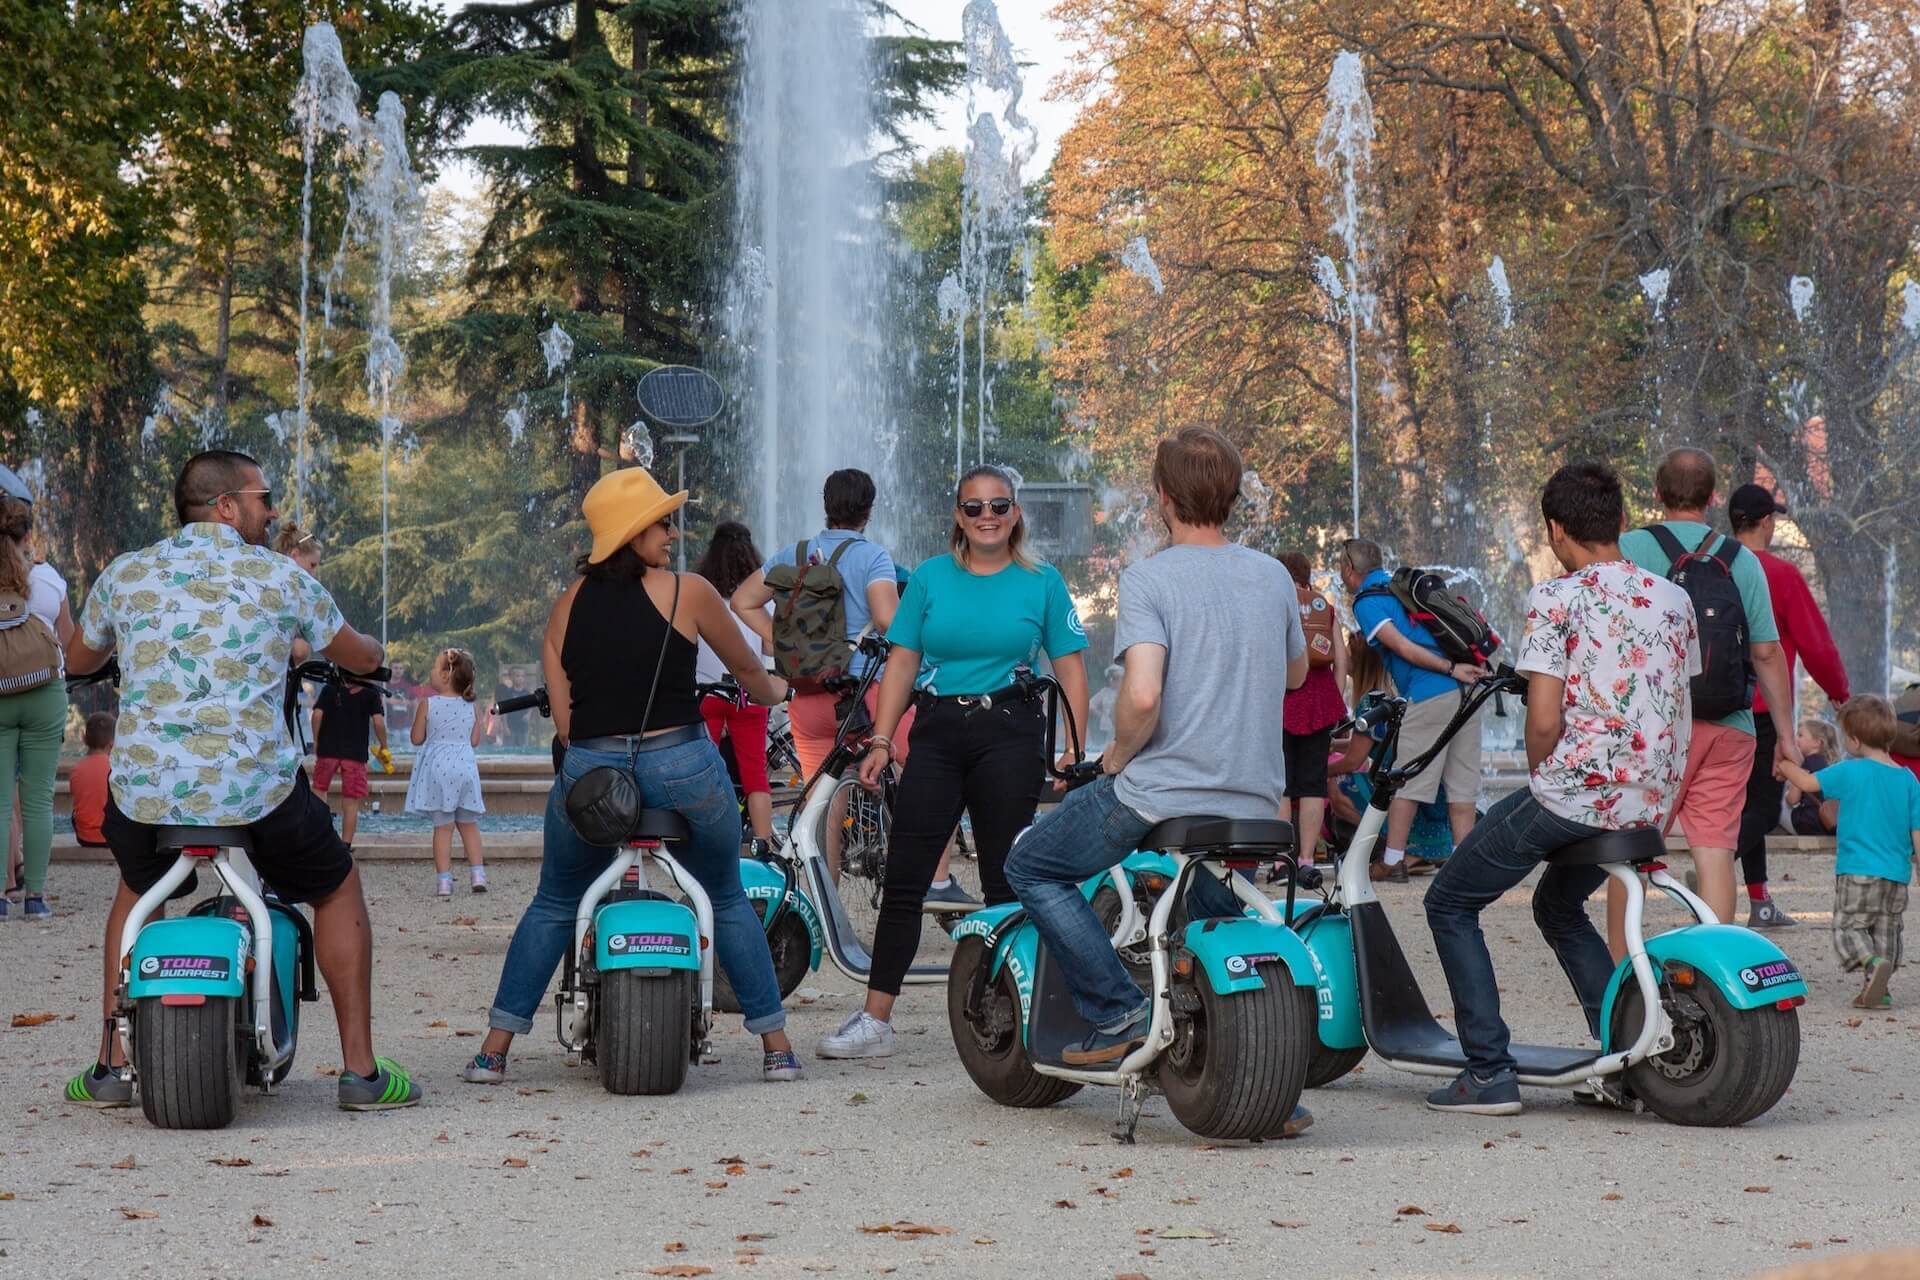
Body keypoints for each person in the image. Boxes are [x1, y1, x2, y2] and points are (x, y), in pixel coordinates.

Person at [61, 449, 420, 1110]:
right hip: (258, 793)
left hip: (144, 795)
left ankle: (110, 1068)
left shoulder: (126, 573)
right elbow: (358, 653)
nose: (273, 509)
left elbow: (82, 655)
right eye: (263, 497)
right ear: (226, 506)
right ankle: (362, 1074)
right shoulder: (281, 578)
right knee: (336, 888)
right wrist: (373, 662)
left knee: (136, 890)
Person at [463, 466, 801, 1086]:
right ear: (630, 533)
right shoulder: (688, 593)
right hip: (683, 765)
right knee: (723, 893)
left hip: (592, 771)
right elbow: (752, 675)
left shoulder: (567, 605)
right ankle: (776, 1048)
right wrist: (783, 688)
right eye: (660, 523)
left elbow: (565, 725)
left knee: (556, 901)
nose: (671, 533)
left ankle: (493, 1050)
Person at [1005, 429, 1308, 1083]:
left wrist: (1113, 756)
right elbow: (1294, 675)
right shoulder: (1273, 575)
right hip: (1253, 792)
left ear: (1162, 496)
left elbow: (1142, 696)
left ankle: (1118, 1012)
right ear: (1232, 497)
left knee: (1032, 865)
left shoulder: (1148, 577)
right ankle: (1240, 1049)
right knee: (1200, 893)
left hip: (1166, 789)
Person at [1423, 461, 1698, 1114]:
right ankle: (1623, 1060)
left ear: (1555, 530)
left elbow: (1543, 721)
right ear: (1622, 522)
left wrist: (1544, 779)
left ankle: (1488, 1071)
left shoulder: (1556, 599)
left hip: (1576, 795)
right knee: (1556, 906)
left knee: (1449, 901)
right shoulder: (1673, 598)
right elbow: (1678, 705)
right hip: (1647, 799)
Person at [818, 464, 1090, 1060]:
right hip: (938, 731)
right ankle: (876, 1018)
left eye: (998, 507)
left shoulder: (1042, 581)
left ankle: (1011, 1015)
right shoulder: (932, 579)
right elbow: (902, 663)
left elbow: (1069, 667)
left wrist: (1073, 749)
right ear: (958, 516)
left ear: (1015, 513)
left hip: (1011, 731)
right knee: (906, 875)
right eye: (974, 507)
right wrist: (884, 740)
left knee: (1006, 877)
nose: (987, 517)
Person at [1616, 448, 1799, 948]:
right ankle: (1713, 970)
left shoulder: (1628, 548)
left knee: (1628, 849)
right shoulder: (1741, 559)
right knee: (1715, 851)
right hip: (1730, 725)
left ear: (1657, 494)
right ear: (1713, 497)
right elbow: (1765, 652)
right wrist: (1786, 736)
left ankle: (1618, 972)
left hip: (1653, 729)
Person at [1726, 482, 1849, 928]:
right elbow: (1816, 645)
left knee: (1742, 806)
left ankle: (1759, 902)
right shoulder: (1779, 574)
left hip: (1712, 705)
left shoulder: (1714, 565)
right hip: (1761, 708)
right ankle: (1713, 868)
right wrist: (1839, 693)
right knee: (1762, 807)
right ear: (1766, 522)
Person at [1341, 538, 1487, 875]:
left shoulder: (1367, 601)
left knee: (1406, 778)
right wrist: (1457, 671)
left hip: (1432, 691)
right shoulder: (1400, 589)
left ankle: (1393, 862)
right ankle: (1463, 864)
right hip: (1467, 691)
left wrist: (1449, 669)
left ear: (1349, 568)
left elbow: (1403, 648)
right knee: (1461, 785)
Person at [1775, 696, 1920, 1009]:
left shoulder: (1851, 771)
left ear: (1854, 740)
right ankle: (1879, 990)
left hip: (1856, 869)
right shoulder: (1909, 780)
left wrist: (1786, 765)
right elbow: (1917, 832)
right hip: (1896, 875)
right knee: (1887, 930)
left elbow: (1808, 782)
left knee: (1848, 927)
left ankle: (1869, 962)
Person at [0, 468, 71, 923]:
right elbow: (68, 640)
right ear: (28, 533)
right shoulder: (48, 579)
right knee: (40, 796)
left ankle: (1, 898)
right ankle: (37, 898)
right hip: (45, 691)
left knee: (0, 798)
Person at [695, 521, 776, 853]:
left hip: (708, 694)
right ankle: (764, 843)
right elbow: (771, 651)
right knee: (756, 775)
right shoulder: (759, 599)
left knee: (705, 772)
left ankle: (705, 841)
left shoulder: (700, 596)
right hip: (749, 695)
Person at [1277, 550, 1348, 867]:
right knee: (1312, 783)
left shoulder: (1275, 605)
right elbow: (1342, 660)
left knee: (1280, 784)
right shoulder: (1323, 608)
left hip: (1281, 701)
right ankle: (1306, 858)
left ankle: (1280, 859)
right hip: (1318, 703)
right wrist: (1335, 697)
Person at [407, 648, 488, 897]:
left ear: (445, 675)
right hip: (465, 768)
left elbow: (417, 738)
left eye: (434, 667)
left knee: (443, 828)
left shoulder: (428, 704)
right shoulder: (472, 706)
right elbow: (474, 741)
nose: (431, 672)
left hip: (439, 772)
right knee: (469, 825)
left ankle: (444, 881)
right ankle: (477, 874)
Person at [311, 668, 388, 851]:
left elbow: (317, 715)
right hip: (355, 755)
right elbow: (378, 722)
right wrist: (384, 745)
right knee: (351, 801)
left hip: (327, 751)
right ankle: (345, 844)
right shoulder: (371, 693)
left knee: (319, 790)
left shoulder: (330, 689)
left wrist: (316, 740)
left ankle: (320, 837)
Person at [68, 712, 115, 848]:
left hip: (85, 838)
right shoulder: (116, 768)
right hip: (112, 838)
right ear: (112, 743)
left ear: (83, 738)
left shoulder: (77, 769)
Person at [1787, 718, 1840, 836]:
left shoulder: (1807, 763)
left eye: (1800, 735)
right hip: (1828, 822)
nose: (1796, 739)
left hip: (1808, 822)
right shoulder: (1829, 765)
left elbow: (1792, 799)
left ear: (1817, 742)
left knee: (1774, 804)